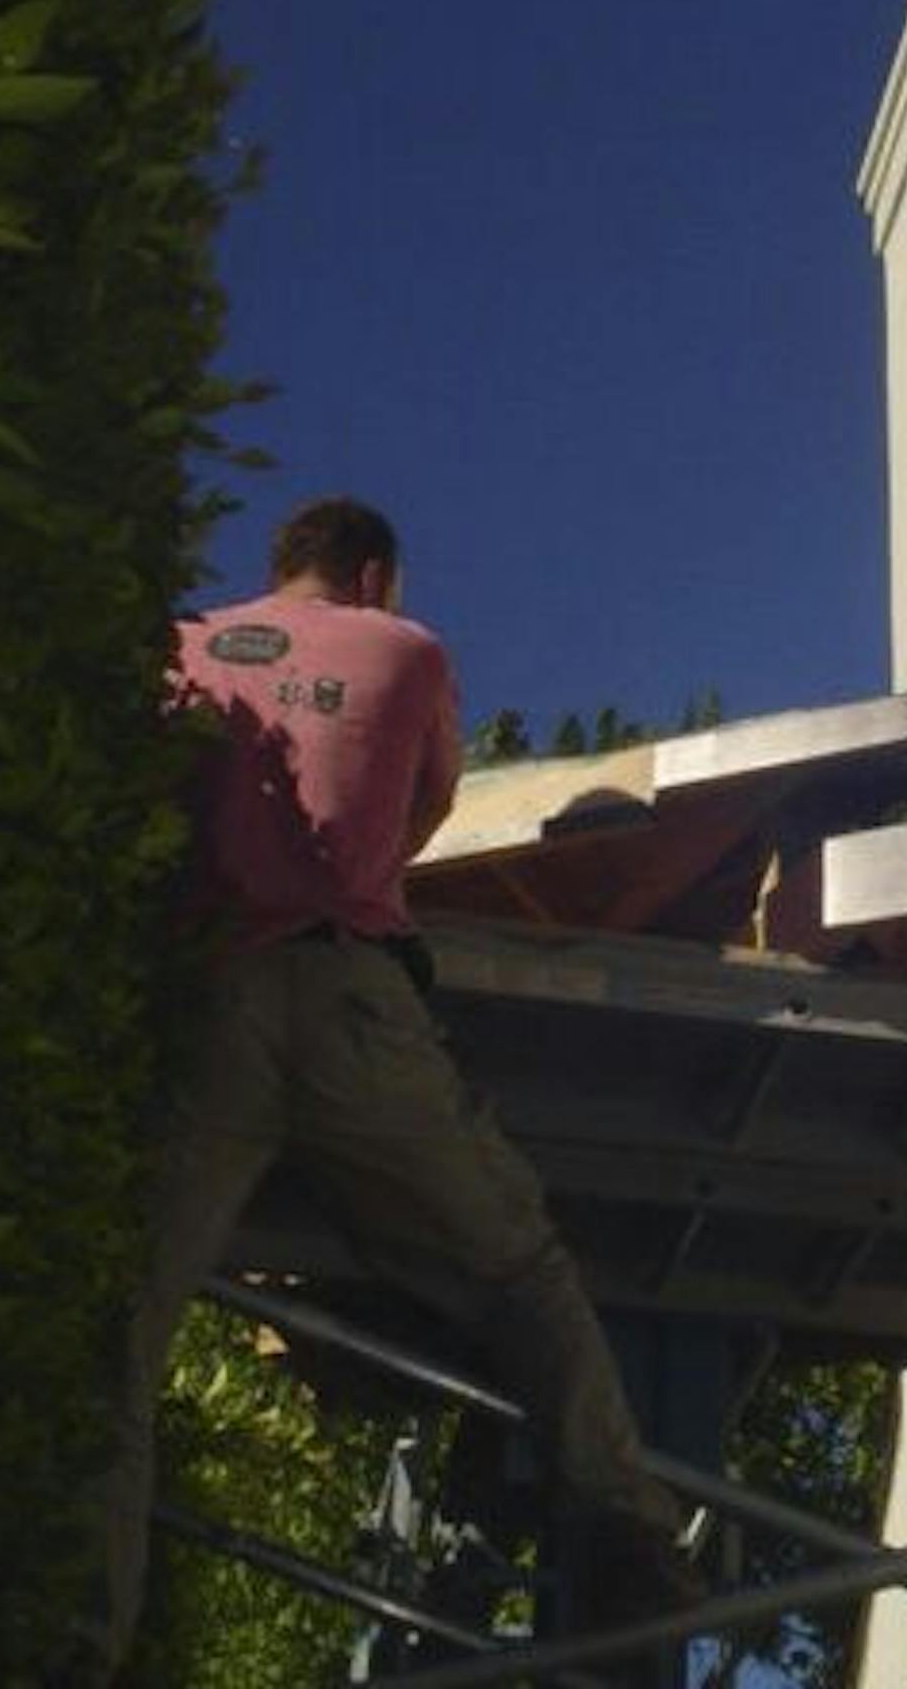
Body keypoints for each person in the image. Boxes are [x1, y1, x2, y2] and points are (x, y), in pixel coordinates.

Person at [94, 497, 696, 1673]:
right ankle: (627, 1530)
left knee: (122, 1335)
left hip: (203, 1005)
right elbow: (417, 813)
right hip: (351, 999)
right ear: (373, 575)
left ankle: (74, 1637)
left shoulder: (185, 648)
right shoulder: (406, 651)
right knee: (517, 1267)